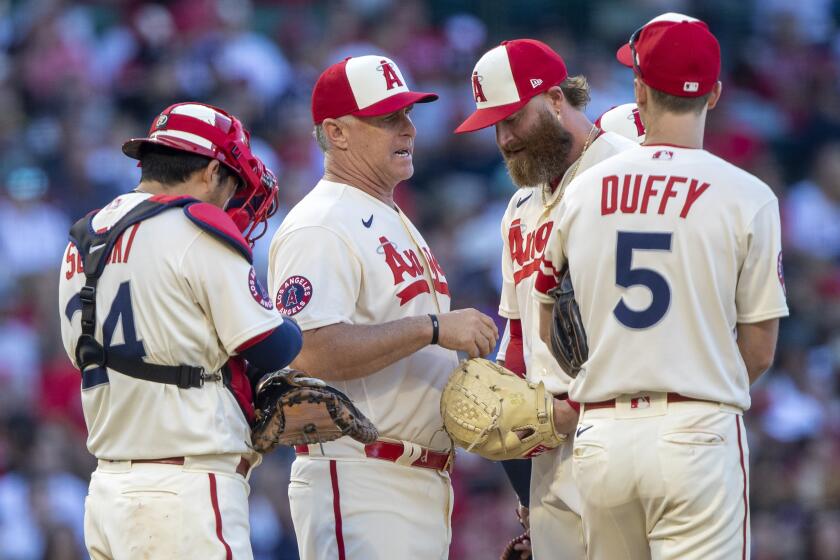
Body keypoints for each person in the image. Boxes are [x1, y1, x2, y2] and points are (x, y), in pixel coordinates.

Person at [534, 13, 789, 559]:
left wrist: (613, 370)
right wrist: (694, 379)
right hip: (695, 428)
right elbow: (760, 349)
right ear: (714, 95)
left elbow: (545, 319)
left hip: (602, 434)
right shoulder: (749, 196)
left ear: (639, 90)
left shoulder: (582, 189)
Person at [267, 55, 499, 559]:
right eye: (387, 118)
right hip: (360, 477)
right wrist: (433, 328)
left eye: (408, 114)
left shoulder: (390, 213)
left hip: (416, 481)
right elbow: (309, 349)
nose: (408, 128)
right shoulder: (321, 224)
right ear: (337, 132)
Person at [58, 102, 304, 559]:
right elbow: (272, 344)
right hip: (184, 492)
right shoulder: (195, 225)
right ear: (212, 170)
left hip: (108, 491)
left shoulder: (83, 236)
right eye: (233, 182)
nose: (233, 199)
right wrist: (293, 323)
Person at [454, 39, 641, 559]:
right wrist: (519, 464)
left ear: (556, 100)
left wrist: (574, 409)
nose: (504, 138)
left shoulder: (628, 172)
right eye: (493, 125)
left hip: (622, 427)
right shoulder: (518, 206)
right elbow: (517, 333)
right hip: (552, 455)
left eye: (513, 118)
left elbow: (645, 323)